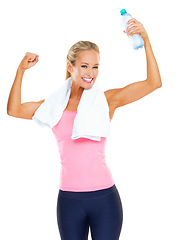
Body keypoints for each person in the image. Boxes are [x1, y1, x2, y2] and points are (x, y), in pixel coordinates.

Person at [7, 18, 162, 240]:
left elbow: (153, 83)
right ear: (70, 67)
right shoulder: (53, 106)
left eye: (95, 66)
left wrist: (145, 40)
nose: (91, 72)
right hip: (69, 201)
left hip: (105, 200)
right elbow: (13, 110)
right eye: (84, 66)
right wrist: (20, 70)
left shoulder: (106, 101)